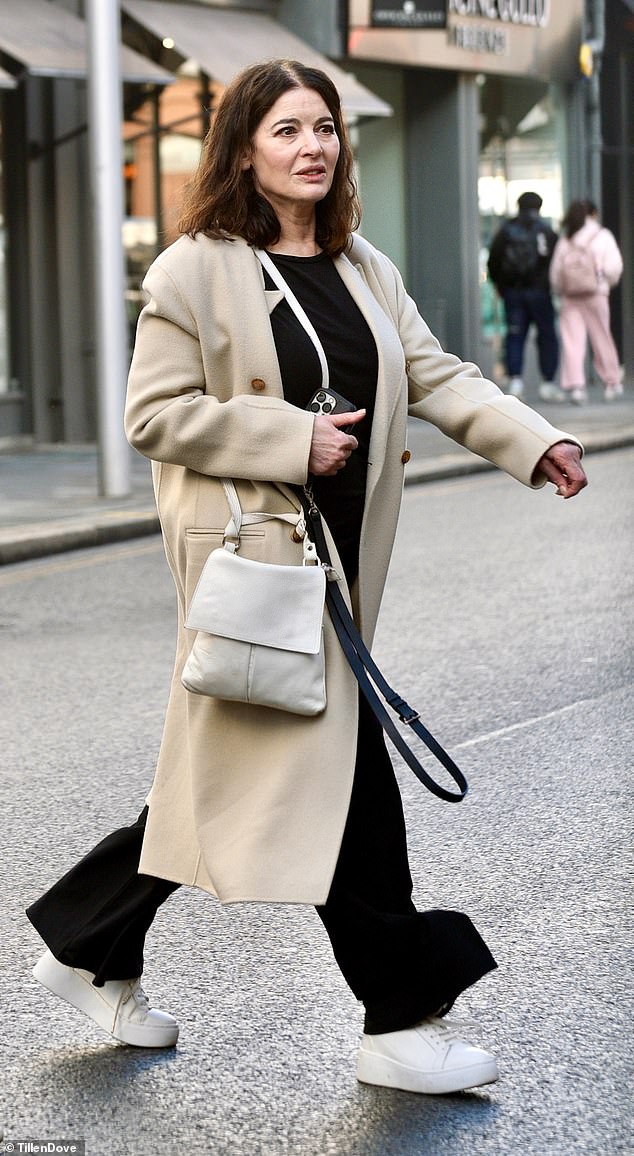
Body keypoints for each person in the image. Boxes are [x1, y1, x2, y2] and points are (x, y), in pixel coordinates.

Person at [26, 59, 587, 1097]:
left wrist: (531, 437)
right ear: (245, 147)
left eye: (324, 128)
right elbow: (153, 415)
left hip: (332, 570)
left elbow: (433, 373)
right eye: (287, 129)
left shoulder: (362, 264)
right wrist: (287, 438)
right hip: (260, 570)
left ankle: (85, 945)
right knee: (349, 791)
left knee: (216, 790)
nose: (312, 146)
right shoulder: (195, 268)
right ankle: (397, 1016)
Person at [487, 191, 563, 401]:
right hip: (540, 293)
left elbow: (493, 261)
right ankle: (547, 382)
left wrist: (501, 287)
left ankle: (515, 380)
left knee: (514, 335)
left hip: (513, 292)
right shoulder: (546, 231)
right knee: (547, 336)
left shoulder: (506, 231)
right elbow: (556, 262)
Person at [549, 199, 624, 404]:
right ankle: (612, 382)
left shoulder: (567, 238)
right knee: (602, 337)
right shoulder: (602, 235)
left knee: (572, 342)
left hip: (570, 297)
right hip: (596, 294)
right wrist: (604, 281)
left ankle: (576, 387)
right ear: (593, 214)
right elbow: (614, 267)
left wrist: (559, 291)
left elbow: (555, 272)